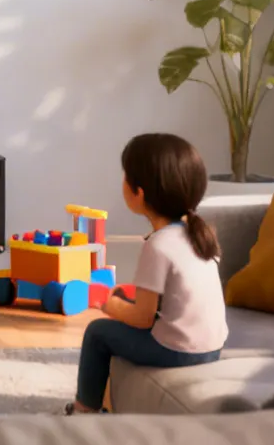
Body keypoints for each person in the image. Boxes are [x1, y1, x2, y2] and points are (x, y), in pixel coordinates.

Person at [69, 132, 227, 413]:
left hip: (177, 351)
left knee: (97, 332)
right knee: (124, 315)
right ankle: (106, 403)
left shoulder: (158, 244)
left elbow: (142, 319)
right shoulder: (199, 234)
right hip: (212, 347)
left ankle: (83, 410)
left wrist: (110, 304)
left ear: (138, 193)